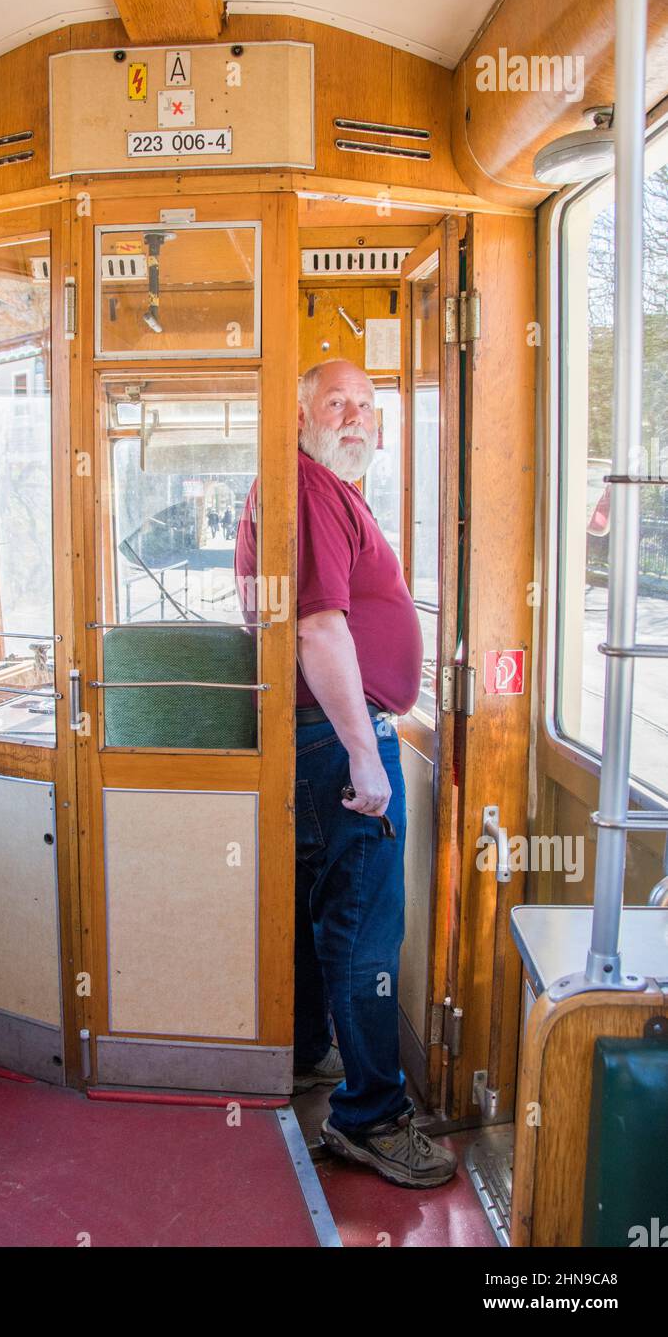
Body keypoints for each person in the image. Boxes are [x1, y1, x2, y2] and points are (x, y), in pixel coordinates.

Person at [235, 359, 457, 1189]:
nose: (357, 417)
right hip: (336, 735)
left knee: (319, 910)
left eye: (368, 406)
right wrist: (367, 750)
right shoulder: (305, 487)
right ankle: (368, 1118)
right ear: (301, 418)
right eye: (338, 402)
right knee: (364, 927)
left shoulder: (322, 487)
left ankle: (300, 1056)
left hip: (321, 732)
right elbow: (318, 629)